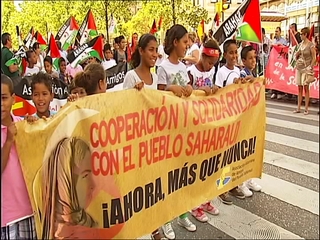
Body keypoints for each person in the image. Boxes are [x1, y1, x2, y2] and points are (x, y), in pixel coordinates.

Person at [123, 33, 165, 240]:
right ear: (140, 51)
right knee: (139, 187)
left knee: (154, 186)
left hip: (154, 141)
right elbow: (123, 110)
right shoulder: (131, 77)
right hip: (138, 143)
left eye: (156, 50)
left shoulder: (156, 78)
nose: (154, 54)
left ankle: (154, 225)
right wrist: (134, 93)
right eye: (150, 49)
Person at [157, 24, 195, 240]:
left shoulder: (182, 67)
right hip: (167, 131)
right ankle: (165, 220)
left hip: (183, 129)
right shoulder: (163, 68)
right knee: (168, 177)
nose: (187, 45)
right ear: (174, 43)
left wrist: (189, 89)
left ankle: (182, 214)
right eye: (184, 41)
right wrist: (171, 89)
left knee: (182, 175)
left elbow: (188, 90)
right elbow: (158, 96)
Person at [34, 137, 96, 239]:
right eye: (85, 176)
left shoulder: (89, 222)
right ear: (66, 181)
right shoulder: (58, 232)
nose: (93, 185)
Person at [187, 39, 220, 222]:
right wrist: (201, 89)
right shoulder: (190, 72)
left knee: (208, 166)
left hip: (208, 124)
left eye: (213, 64)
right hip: (194, 125)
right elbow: (188, 94)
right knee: (197, 167)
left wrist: (214, 89)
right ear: (203, 56)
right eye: (209, 62)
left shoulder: (212, 70)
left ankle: (206, 200)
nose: (210, 67)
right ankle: (194, 205)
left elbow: (212, 89)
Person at [1, 74, 36, 239]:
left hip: (30, 211)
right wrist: (8, 141)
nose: (1, 104)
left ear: (13, 99)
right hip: (6, 218)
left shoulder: (23, 125)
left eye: (4, 98)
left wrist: (34, 128)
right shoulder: (11, 134)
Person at [215, 39, 249, 204]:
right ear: (225, 54)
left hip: (237, 118)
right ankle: (221, 187)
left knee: (234, 153)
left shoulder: (238, 71)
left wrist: (245, 83)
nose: (234, 55)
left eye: (236, 52)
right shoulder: (221, 72)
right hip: (225, 118)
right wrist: (231, 87)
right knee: (224, 154)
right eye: (231, 52)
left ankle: (233, 184)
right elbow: (218, 93)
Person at [294, 27, 317, 115]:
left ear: (305, 35)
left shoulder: (311, 45)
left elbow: (314, 58)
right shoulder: (300, 44)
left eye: (301, 34)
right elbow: (297, 54)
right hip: (299, 67)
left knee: (306, 88)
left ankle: (306, 108)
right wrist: (297, 54)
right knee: (299, 87)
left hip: (306, 68)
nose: (300, 36)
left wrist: (310, 67)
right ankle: (298, 108)